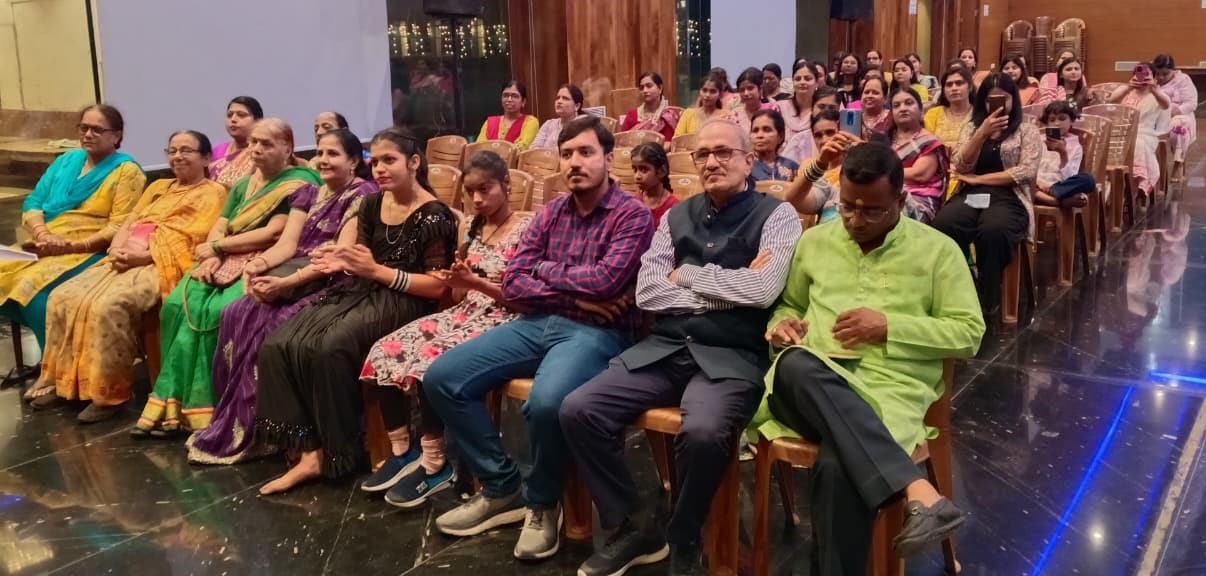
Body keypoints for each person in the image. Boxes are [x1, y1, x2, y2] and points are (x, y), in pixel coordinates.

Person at [560, 119, 801, 576]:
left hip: (730, 356)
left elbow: (762, 290)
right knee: (579, 409)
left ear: (749, 160)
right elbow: (648, 292)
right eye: (702, 154)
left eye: (724, 152)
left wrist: (688, 275)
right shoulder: (676, 217)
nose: (712, 162)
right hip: (665, 348)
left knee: (705, 432)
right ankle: (633, 525)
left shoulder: (777, 215)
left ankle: (684, 533)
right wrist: (730, 287)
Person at [423, 116, 652, 559]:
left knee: (546, 403)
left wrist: (545, 272)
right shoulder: (552, 212)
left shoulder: (632, 215)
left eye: (585, 152)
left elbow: (605, 282)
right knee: (442, 378)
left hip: (596, 332)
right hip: (537, 322)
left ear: (608, 158)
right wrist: (576, 294)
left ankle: (542, 504)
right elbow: (513, 281)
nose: (574, 162)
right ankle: (501, 485)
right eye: (566, 154)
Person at [757, 142, 985, 576]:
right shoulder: (816, 241)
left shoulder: (938, 251)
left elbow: (969, 333)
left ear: (901, 199)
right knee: (793, 363)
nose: (856, 221)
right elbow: (789, 304)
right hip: (807, 386)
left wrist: (889, 327)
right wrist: (783, 325)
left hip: (889, 392)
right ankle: (917, 488)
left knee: (839, 464)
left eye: (873, 211)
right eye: (847, 207)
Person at [254, 127, 458, 495]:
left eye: (389, 160)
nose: (379, 168)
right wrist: (341, 259)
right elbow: (361, 258)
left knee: (329, 348)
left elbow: (437, 287)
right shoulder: (371, 204)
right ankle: (310, 451)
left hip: (407, 301)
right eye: (374, 161)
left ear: (414, 162)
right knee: (278, 343)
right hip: (363, 290)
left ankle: (342, 449)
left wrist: (375, 271)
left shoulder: (433, 215)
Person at [184, 128, 376, 459]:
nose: (323, 160)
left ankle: (280, 432)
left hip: (331, 281)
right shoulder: (308, 192)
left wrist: (285, 284)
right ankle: (245, 424)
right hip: (292, 274)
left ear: (354, 161)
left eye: (333, 154)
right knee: (236, 312)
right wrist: (257, 266)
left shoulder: (362, 195)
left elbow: (340, 257)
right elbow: (287, 245)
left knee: (273, 326)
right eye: (320, 152)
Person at [358, 151, 532, 506]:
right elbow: (455, 296)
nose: (478, 199)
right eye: (471, 192)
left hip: (504, 319)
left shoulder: (526, 230)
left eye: (486, 189)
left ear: (507, 185)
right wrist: (456, 283)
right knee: (384, 349)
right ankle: (403, 452)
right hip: (466, 312)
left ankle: (435, 462)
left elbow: (523, 299)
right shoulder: (473, 228)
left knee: (431, 359)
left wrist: (475, 283)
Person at [138, 119, 321, 434]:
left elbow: (274, 232)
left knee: (217, 312)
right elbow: (221, 223)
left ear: (287, 147)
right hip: (224, 255)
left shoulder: (299, 182)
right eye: (253, 143)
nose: (256, 150)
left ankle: (215, 407)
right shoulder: (243, 184)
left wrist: (218, 247)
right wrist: (212, 254)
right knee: (176, 306)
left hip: (268, 258)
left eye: (266, 144)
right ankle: (172, 404)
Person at [28, 131, 223, 421]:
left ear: (206, 158)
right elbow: (130, 221)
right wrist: (117, 248)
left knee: (109, 306)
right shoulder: (158, 186)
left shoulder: (214, 193)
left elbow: (192, 239)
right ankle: (63, 383)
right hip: (123, 257)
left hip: (162, 264)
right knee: (62, 296)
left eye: (186, 151)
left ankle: (108, 395)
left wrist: (143, 256)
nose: (177, 157)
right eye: (172, 151)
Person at [3, 104, 144, 387]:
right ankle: (59, 356)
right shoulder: (66, 161)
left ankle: (57, 372)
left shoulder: (127, 172)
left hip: (90, 249)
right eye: (84, 128)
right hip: (46, 241)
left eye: (97, 130)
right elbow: (34, 201)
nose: (88, 134)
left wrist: (70, 246)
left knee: (32, 289)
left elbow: (119, 226)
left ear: (117, 136)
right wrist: (43, 234)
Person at [932, 74, 1042, 312]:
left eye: (1003, 98)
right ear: (982, 100)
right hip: (971, 193)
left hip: (1009, 195)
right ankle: (961, 284)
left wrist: (980, 178)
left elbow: (1025, 171)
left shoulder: (1026, 129)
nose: (997, 104)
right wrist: (981, 133)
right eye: (991, 99)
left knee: (993, 230)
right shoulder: (972, 127)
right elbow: (960, 165)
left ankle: (988, 297)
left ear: (1013, 99)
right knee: (944, 224)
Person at [1108, 62, 1172, 203]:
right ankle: (1119, 190)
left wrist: (1153, 89)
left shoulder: (1157, 94)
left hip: (1145, 134)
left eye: (1147, 74)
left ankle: (1137, 187)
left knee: (1138, 144)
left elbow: (1166, 104)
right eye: (1139, 73)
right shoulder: (1125, 90)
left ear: (1154, 78)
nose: (1143, 77)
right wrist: (1129, 87)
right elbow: (1111, 102)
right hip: (1120, 133)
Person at [783, 109, 856, 223]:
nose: (824, 140)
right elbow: (794, 199)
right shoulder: (810, 167)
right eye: (818, 135)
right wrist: (819, 165)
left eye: (830, 132)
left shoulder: (857, 166)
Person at [888, 88, 949, 223]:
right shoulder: (884, 140)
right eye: (896, 105)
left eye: (909, 103)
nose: (903, 108)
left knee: (889, 215)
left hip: (919, 198)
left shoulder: (929, 141)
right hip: (884, 192)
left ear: (921, 111)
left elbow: (919, 174)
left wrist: (880, 171)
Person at [1034, 101, 1094, 208]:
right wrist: (1039, 182)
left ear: (1071, 120)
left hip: (1059, 186)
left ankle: (1050, 196)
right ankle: (1056, 202)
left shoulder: (1076, 146)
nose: (1057, 123)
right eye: (1052, 120)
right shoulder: (1038, 140)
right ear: (1047, 123)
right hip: (1037, 184)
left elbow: (1069, 177)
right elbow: (1029, 167)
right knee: (1019, 180)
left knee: (1088, 180)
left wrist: (1063, 153)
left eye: (1062, 118)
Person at [1152, 54, 1197, 182]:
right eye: (1158, 74)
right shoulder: (1151, 80)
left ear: (1173, 70)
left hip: (1178, 115)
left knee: (1180, 127)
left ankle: (1178, 162)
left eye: (1165, 74)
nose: (1161, 77)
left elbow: (1191, 103)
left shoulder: (1183, 80)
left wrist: (1171, 113)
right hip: (1155, 117)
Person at [210, 96, 264, 189]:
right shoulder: (218, 150)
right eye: (229, 115)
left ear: (258, 121)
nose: (233, 119)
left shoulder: (260, 152)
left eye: (241, 115)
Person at [924, 65, 976, 153]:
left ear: (970, 87)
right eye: (949, 85)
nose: (954, 88)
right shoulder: (933, 114)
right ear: (943, 91)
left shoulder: (978, 113)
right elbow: (927, 147)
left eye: (959, 83)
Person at [777, 59, 820, 163]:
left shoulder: (823, 108)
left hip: (815, 163)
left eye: (807, 78)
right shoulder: (779, 107)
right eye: (798, 79)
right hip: (781, 163)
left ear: (816, 82)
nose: (802, 82)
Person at [478, 80, 540, 151]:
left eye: (515, 96)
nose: (509, 99)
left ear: (523, 102)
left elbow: (521, 148)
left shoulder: (530, 122)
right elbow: (479, 147)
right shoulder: (489, 122)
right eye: (505, 95)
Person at [621, 72, 681, 143]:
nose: (645, 90)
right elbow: (622, 141)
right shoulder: (632, 115)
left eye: (649, 86)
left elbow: (672, 143)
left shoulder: (669, 115)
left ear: (660, 88)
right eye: (642, 88)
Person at [674, 72, 734, 140]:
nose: (707, 95)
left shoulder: (726, 116)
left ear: (719, 94)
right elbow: (676, 140)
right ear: (700, 91)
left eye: (712, 91)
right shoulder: (688, 114)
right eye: (704, 90)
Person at [630, 142, 679, 224]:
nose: (637, 176)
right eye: (635, 170)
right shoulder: (634, 202)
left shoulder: (673, 207)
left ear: (662, 171)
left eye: (644, 170)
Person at [531, 84, 586, 150]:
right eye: (557, 98)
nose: (559, 101)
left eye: (565, 98)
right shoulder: (548, 124)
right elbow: (533, 149)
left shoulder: (584, 124)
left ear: (577, 106)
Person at [750, 109, 799, 182]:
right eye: (755, 130)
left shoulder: (792, 167)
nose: (759, 135)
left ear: (780, 137)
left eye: (767, 130)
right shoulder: (743, 167)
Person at [732, 67, 776, 133]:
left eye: (750, 88)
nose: (746, 93)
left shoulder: (772, 109)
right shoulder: (734, 115)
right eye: (742, 90)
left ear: (760, 89)